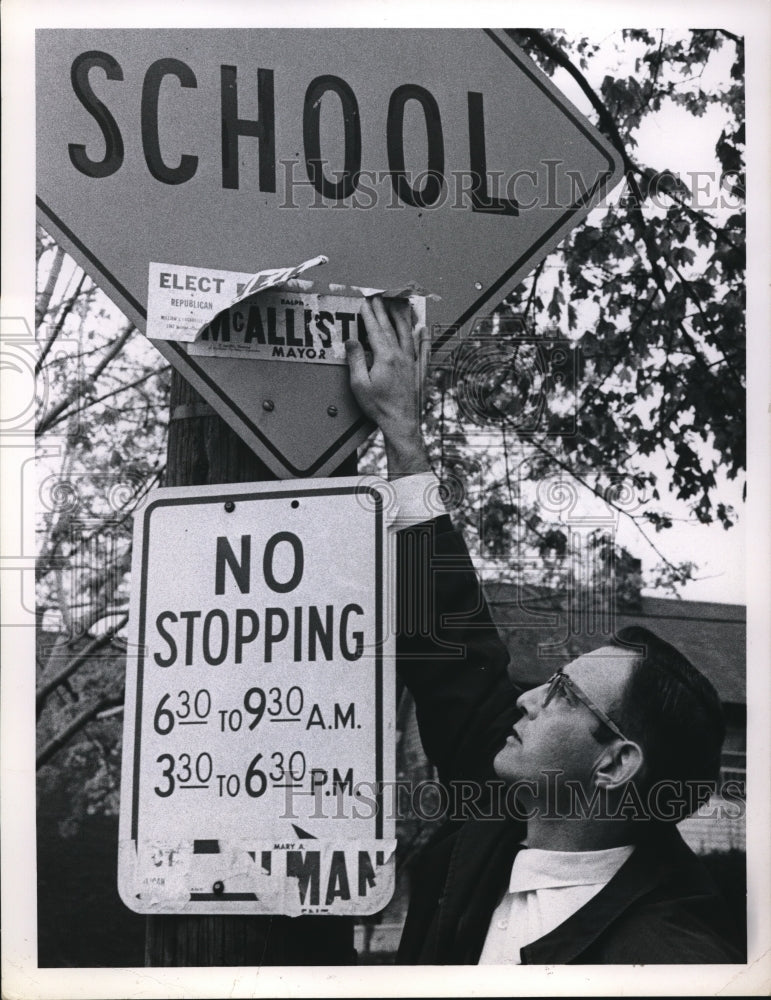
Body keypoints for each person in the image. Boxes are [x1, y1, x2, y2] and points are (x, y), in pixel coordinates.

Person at [345, 295, 745, 965]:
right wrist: (402, 436)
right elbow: (452, 650)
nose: (526, 698)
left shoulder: (671, 961)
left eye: (562, 693)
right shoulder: (496, 818)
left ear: (615, 763)